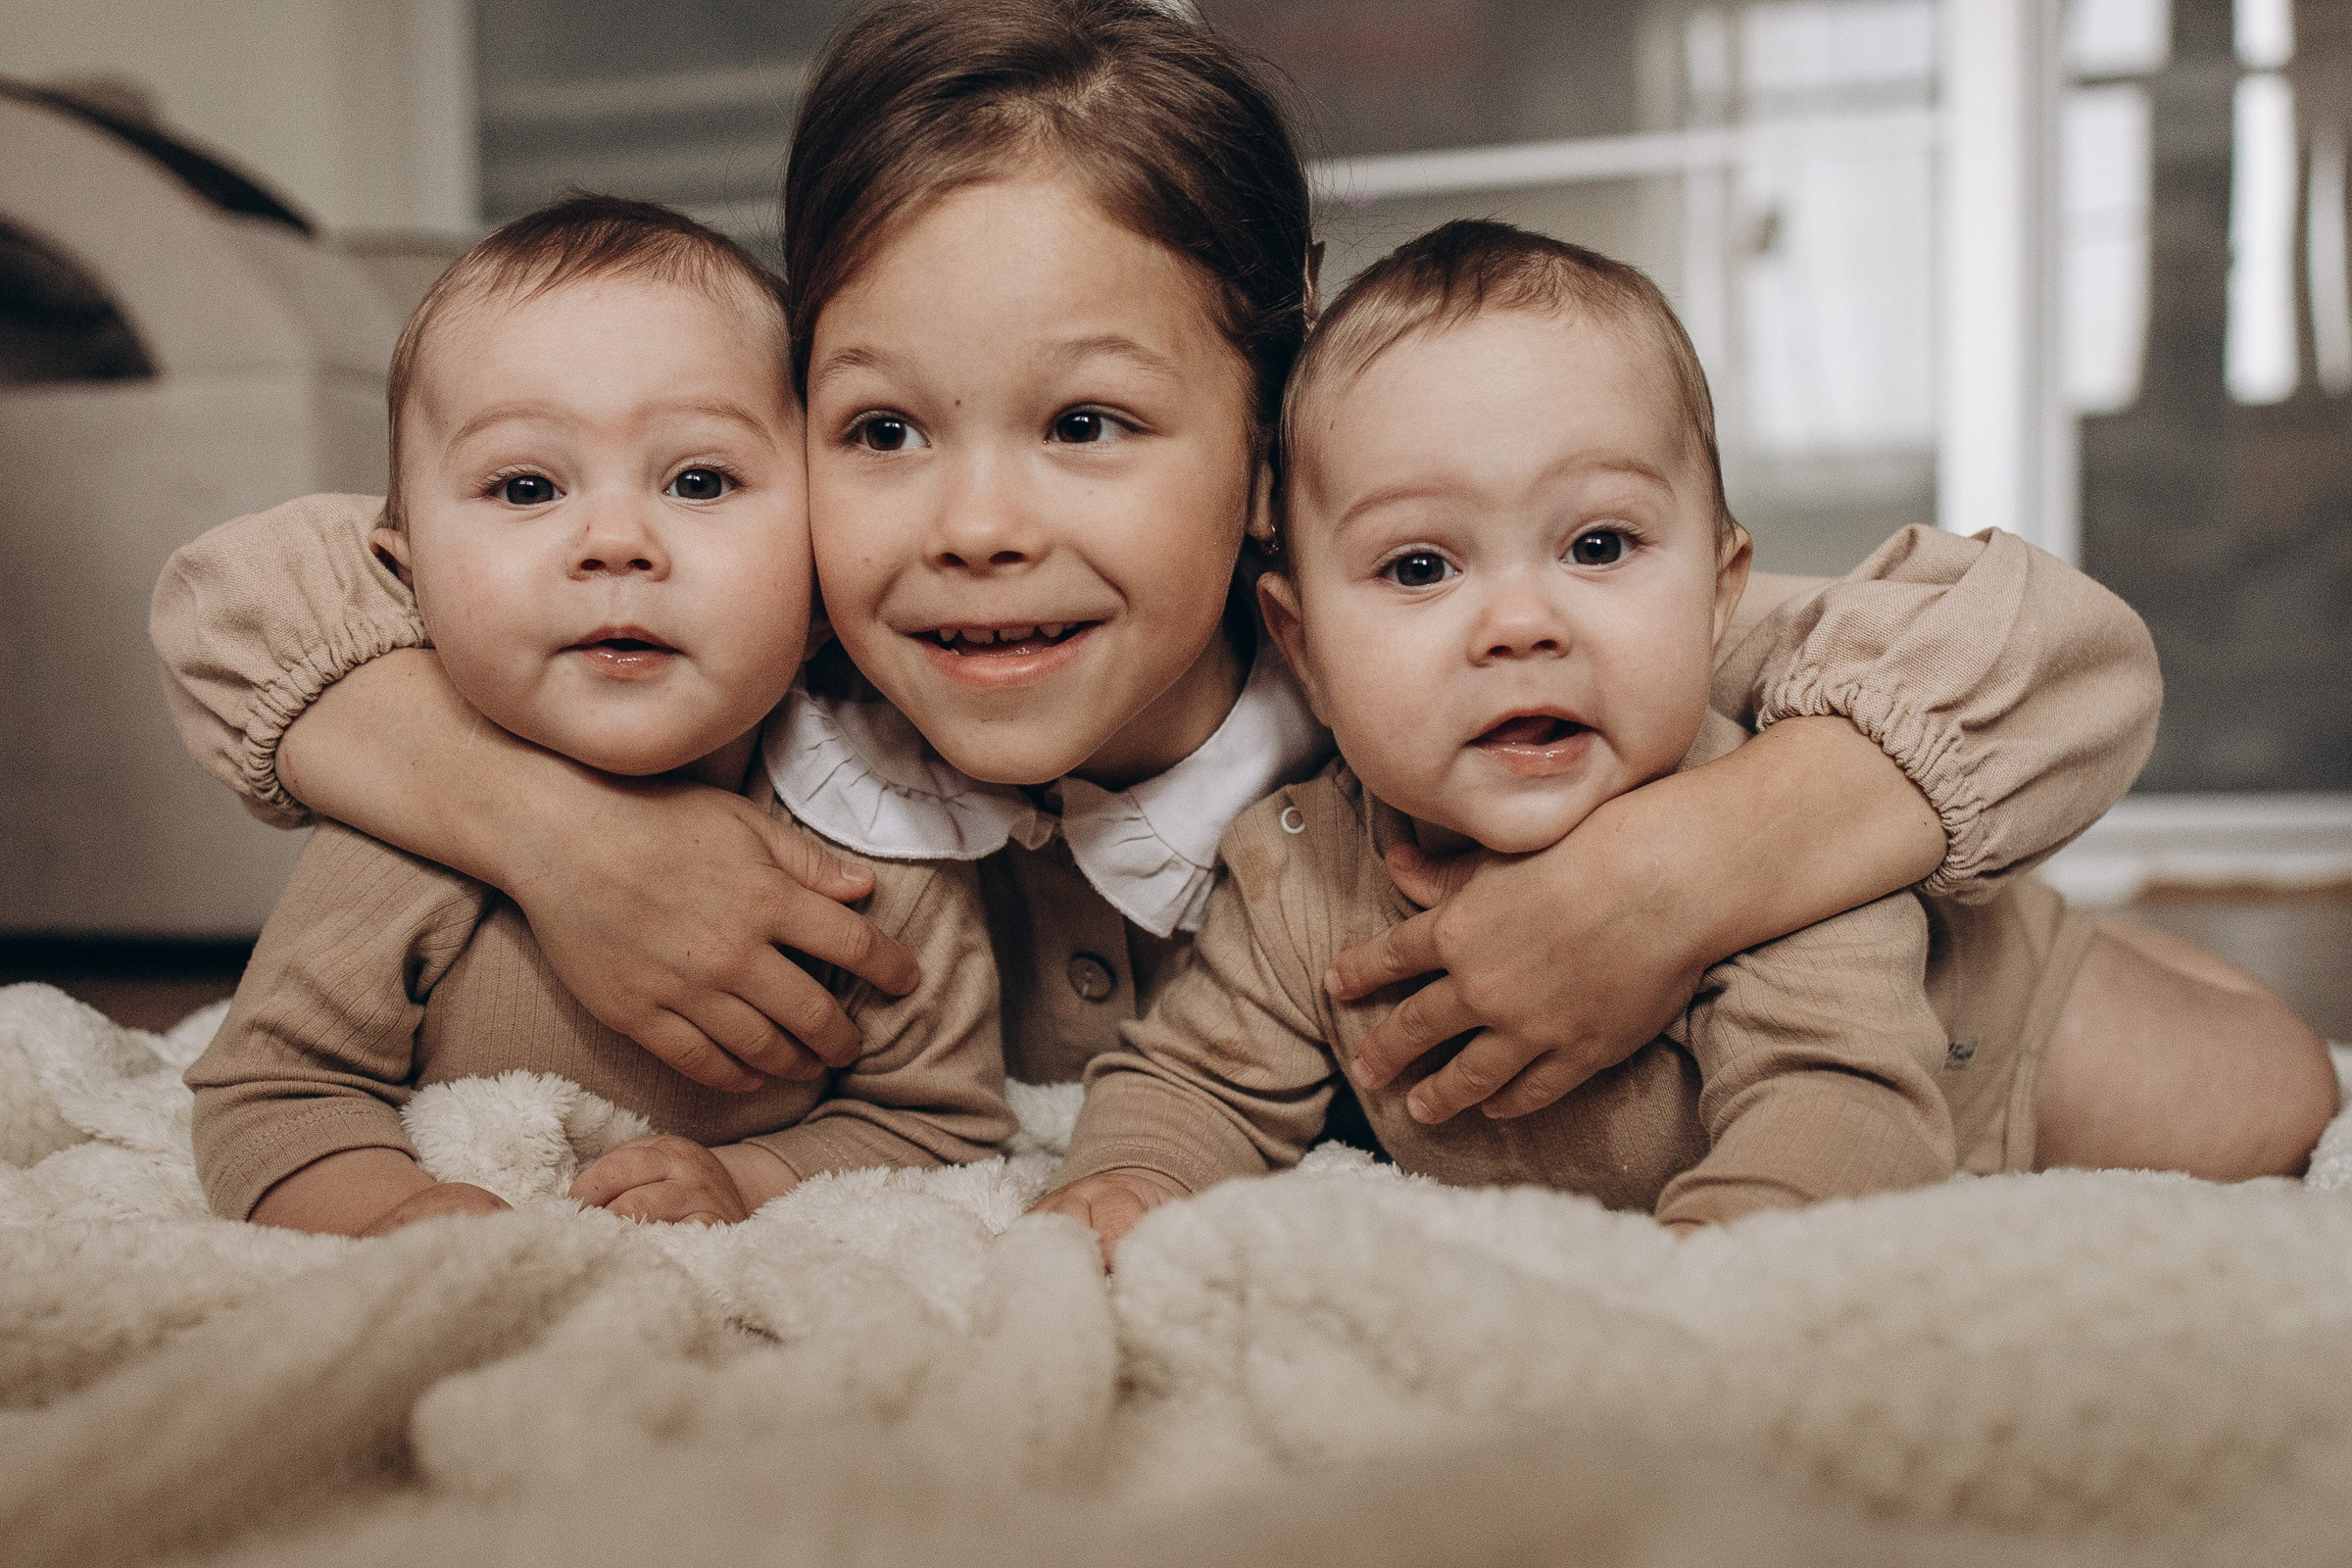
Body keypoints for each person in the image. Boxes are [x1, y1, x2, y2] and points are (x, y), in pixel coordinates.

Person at [156, 0, 2164, 1143]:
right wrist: (566, 840)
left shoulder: (1456, 645)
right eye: (879, 431)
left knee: (2206, 1086)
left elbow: (2049, 654)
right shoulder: (739, 660)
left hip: (1928, 1042)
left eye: (1090, 426)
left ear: (1275, 451)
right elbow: (252, 592)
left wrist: (1673, 869)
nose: (974, 526)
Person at [1036, 222, 2337, 1257]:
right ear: (1302, 640)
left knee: (2273, 1104)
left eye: (1599, 546)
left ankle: (2111, 959)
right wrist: (1133, 1172)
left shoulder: (1775, 847)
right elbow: (1199, 1075)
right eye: (1421, 565)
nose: (1520, 622)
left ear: (1721, 593)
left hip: (2000, 1051)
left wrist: (1735, 1253)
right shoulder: (1300, 868)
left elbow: (1834, 1114)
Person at [183, 198, 1010, 1238]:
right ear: (410, 583)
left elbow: (937, 1121)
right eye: (527, 485)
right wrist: (396, 1213)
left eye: (699, 479)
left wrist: (751, 1179)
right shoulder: (405, 834)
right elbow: (272, 1094)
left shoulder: (886, 832)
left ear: (819, 585)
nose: (616, 541)